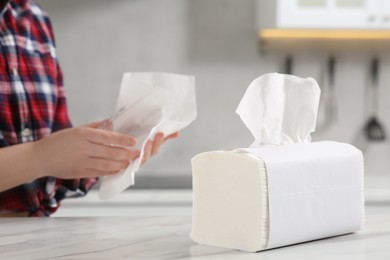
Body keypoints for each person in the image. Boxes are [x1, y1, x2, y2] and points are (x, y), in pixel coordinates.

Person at [0, 0, 178, 217]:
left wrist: (107, 151)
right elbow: (44, 155)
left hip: (30, 233)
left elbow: (53, 161)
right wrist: (41, 157)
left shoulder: (33, 17)